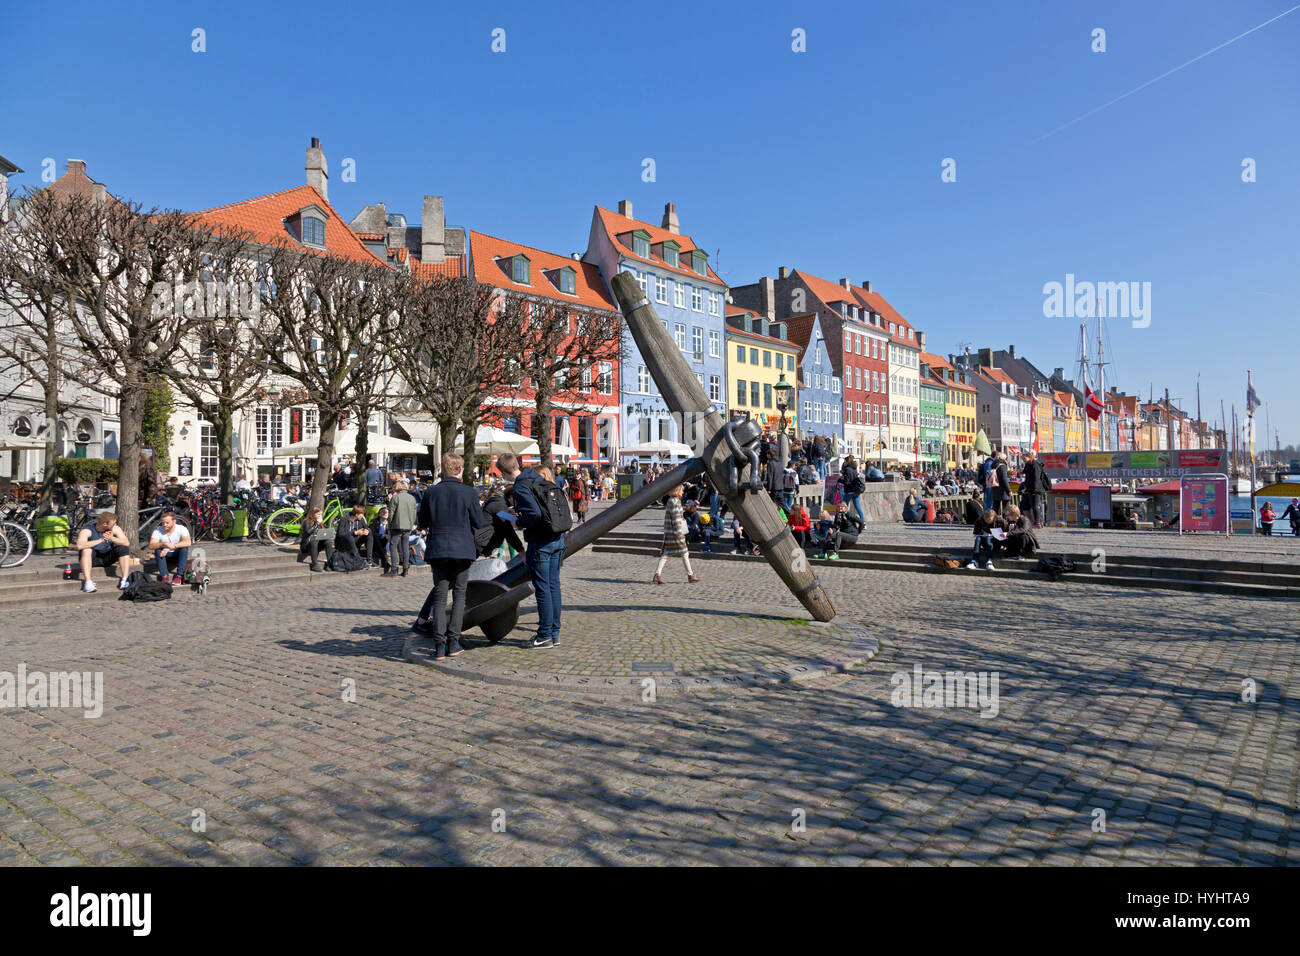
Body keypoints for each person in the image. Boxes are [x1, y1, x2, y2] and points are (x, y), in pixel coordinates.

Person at [413, 452, 487, 659]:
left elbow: (423, 522)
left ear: (443, 469)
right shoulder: (469, 492)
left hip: (438, 548)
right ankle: (453, 641)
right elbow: (479, 522)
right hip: (462, 549)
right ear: (460, 469)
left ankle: (439, 644)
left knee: (439, 595)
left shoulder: (431, 492)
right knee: (459, 595)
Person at [512, 463, 568, 649]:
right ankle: (554, 633)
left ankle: (544, 634)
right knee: (553, 586)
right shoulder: (550, 486)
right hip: (558, 538)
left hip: (541, 543)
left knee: (543, 588)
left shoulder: (526, 486)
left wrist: (519, 521)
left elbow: (534, 514)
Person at [75, 511, 133, 593]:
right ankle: (88, 583)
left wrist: (112, 538)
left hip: (107, 557)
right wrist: (101, 540)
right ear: (105, 524)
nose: (115, 525)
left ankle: (124, 580)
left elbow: (126, 543)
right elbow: (79, 545)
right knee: (86, 549)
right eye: (113, 524)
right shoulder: (87, 530)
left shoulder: (115, 528)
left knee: (123, 548)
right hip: (93, 558)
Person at [652, 484, 699, 584]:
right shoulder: (675, 502)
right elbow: (676, 519)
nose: (683, 492)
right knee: (685, 553)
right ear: (677, 491)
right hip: (675, 533)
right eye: (682, 490)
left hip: (670, 532)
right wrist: (680, 534)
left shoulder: (671, 501)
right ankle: (690, 575)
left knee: (666, 554)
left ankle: (657, 574)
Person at [149, 511, 192, 584]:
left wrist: (170, 547)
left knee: (184, 548)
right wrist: (164, 543)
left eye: (167, 523)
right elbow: (151, 545)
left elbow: (188, 542)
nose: (164, 525)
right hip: (164, 556)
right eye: (163, 523)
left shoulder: (182, 529)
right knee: (158, 550)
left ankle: (179, 575)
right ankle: (164, 576)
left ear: (174, 521)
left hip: (177, 556)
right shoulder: (158, 530)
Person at [386, 479, 418, 577]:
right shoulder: (412, 498)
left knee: (393, 546)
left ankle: (394, 569)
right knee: (405, 547)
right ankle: (405, 569)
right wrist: (411, 524)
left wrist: (389, 525)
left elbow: (391, 514)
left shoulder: (395, 498)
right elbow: (414, 514)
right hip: (408, 526)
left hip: (397, 525)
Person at [297, 506, 334, 571]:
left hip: (316, 545)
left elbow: (322, 533)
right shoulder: (306, 522)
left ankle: (329, 563)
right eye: (318, 514)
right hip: (307, 545)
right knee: (314, 541)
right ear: (313, 514)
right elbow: (308, 532)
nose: (320, 516)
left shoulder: (319, 523)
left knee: (327, 542)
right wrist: (317, 524)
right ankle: (314, 564)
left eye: (321, 514)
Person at [1019, 452, 1050, 527]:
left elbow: (1036, 478)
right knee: (1033, 505)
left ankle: (1038, 521)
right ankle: (1038, 521)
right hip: (1031, 488)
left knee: (1035, 505)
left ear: (1029, 457)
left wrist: (1034, 489)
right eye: (1022, 459)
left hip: (1036, 488)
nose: (1023, 460)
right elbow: (1028, 477)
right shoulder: (1029, 465)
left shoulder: (1035, 465)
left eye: (1024, 458)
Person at [841, 455, 866, 523]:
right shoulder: (854, 468)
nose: (843, 463)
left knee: (843, 506)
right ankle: (863, 522)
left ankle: (843, 520)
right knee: (858, 507)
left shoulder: (847, 469)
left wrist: (840, 480)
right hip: (856, 491)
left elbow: (847, 482)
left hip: (849, 491)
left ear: (847, 462)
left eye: (844, 462)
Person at [370, 506, 391, 572]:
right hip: (376, 541)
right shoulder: (374, 521)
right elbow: (372, 532)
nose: (385, 513)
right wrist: (383, 535)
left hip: (387, 541)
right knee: (376, 537)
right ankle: (384, 560)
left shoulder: (391, 523)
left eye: (386, 512)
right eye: (383, 512)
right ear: (379, 514)